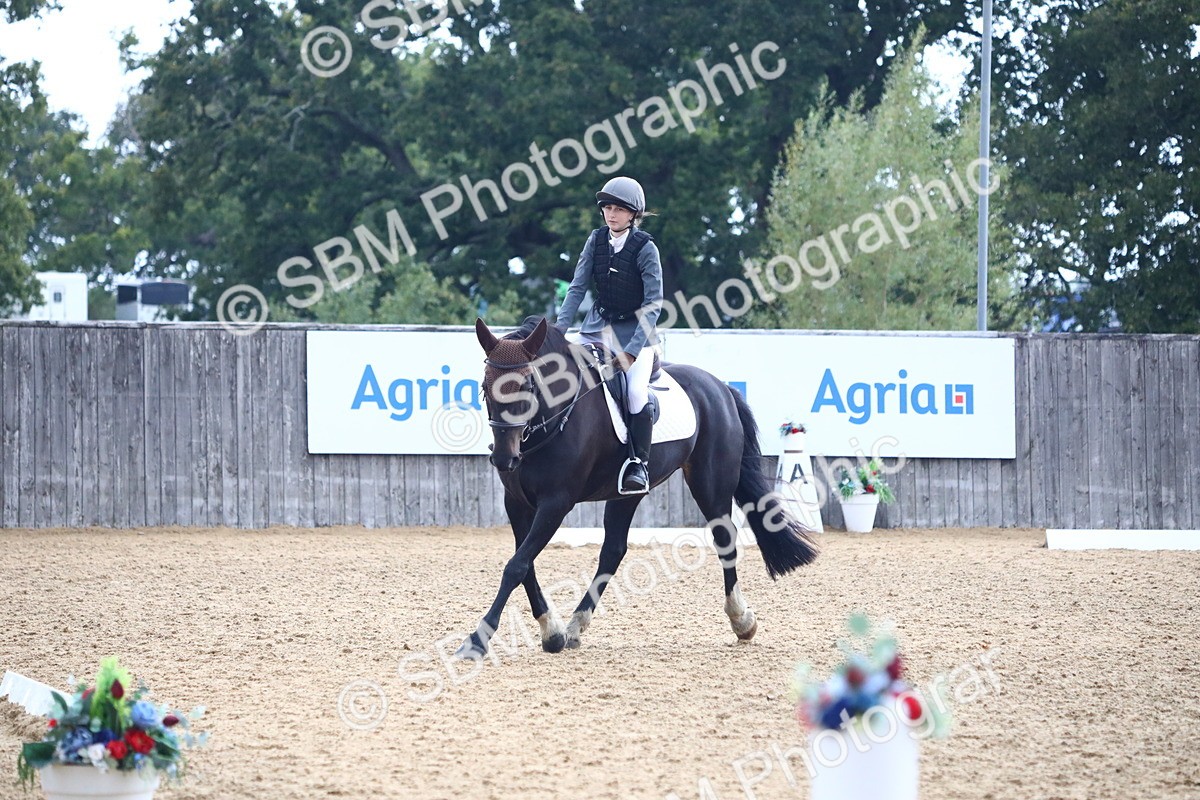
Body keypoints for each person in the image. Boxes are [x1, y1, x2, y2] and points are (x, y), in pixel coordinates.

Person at [555, 176, 664, 494]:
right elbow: (577, 287)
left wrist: (631, 350)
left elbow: (653, 304)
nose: (611, 214)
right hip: (595, 328)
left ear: (633, 214)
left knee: (634, 394)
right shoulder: (595, 240)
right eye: (607, 208)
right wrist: (560, 332)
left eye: (619, 209)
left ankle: (638, 464)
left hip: (635, 335)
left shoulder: (646, 249)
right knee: (560, 371)